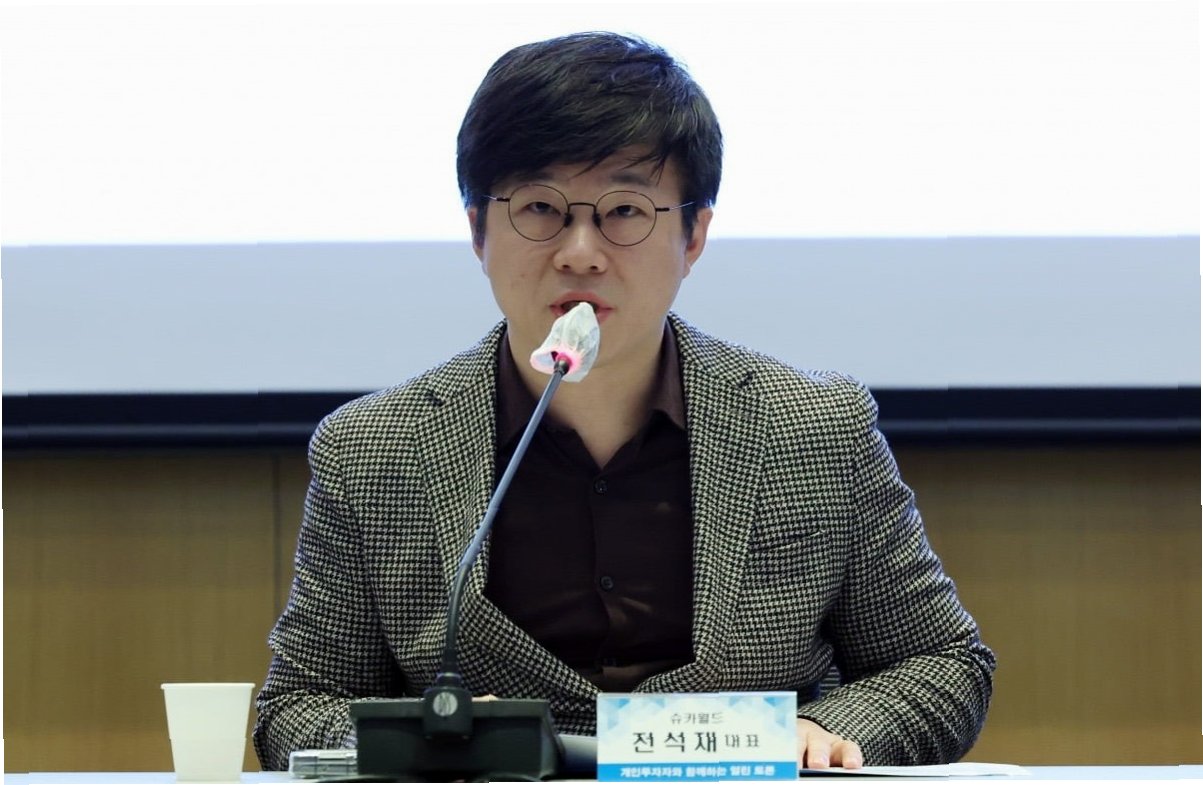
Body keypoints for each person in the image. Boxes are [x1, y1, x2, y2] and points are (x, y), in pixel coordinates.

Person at [253, 31, 995, 772]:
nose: (580, 251)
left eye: (625, 211)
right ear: (478, 230)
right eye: (539, 207)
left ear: (693, 235)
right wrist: (414, 737)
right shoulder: (374, 448)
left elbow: (941, 661)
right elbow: (298, 706)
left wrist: (824, 729)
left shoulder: (812, 428)